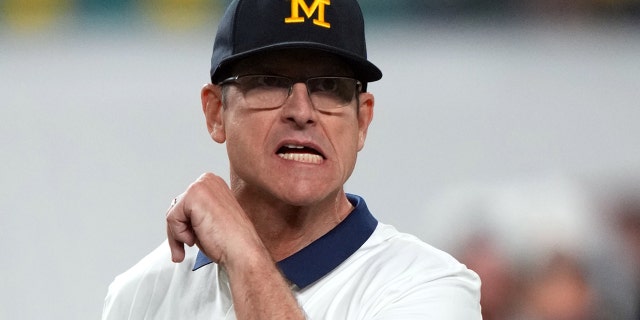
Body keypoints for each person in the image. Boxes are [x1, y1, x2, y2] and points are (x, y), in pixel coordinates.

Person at [102, 0, 481, 319]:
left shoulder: (428, 288)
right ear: (216, 112)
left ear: (362, 119)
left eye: (329, 86)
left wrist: (245, 255)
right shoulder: (140, 296)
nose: (301, 111)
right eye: (268, 81)